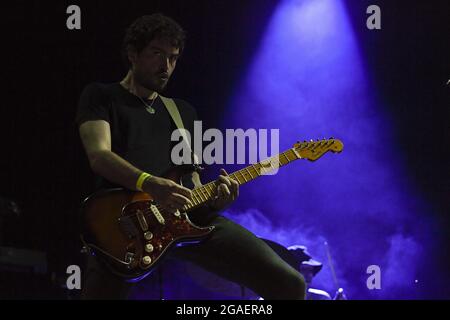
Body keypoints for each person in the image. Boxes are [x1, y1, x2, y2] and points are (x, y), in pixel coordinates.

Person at [76, 13, 305, 300]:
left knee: (290, 284)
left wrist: (216, 199)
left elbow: (191, 179)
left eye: (173, 58)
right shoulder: (100, 95)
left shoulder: (181, 112)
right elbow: (99, 155)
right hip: (122, 226)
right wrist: (151, 184)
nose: (166, 66)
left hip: (185, 222)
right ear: (132, 54)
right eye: (157, 54)